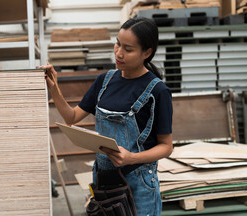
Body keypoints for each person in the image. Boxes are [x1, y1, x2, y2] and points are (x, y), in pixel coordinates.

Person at [40, 17, 173, 216]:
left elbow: (166, 146)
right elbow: (72, 117)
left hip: (138, 182)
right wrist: (55, 89)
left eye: (128, 49)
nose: (119, 53)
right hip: (104, 179)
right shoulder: (105, 81)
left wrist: (131, 158)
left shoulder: (157, 91)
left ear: (147, 52)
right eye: (118, 44)